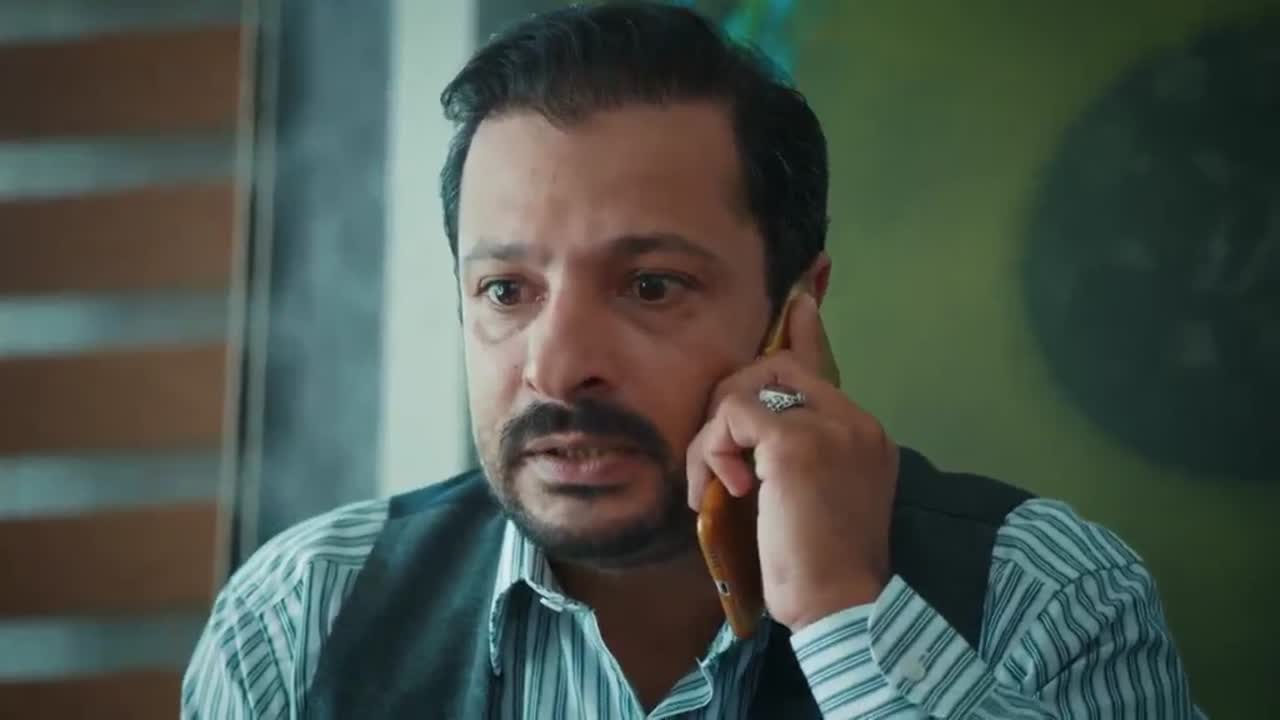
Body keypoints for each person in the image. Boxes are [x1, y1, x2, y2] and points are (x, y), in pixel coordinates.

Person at [182, 2, 1202, 718]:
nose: (557, 368)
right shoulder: (300, 618)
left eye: (650, 286)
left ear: (795, 311)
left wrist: (850, 616)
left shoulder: (1047, 596)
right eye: (506, 291)